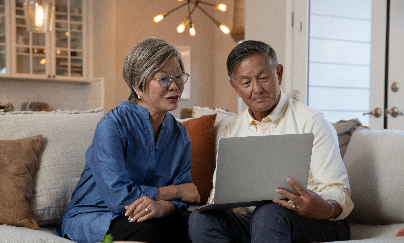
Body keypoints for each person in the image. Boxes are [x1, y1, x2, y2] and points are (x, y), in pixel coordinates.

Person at [188, 40, 354, 243]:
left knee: (268, 213)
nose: (257, 89)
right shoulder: (230, 130)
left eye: (264, 78)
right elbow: (220, 191)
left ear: (279, 74)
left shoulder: (311, 121)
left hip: (317, 220)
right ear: (236, 87)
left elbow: (338, 190)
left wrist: (324, 207)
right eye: (246, 83)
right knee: (200, 219)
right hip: (258, 221)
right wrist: (219, 201)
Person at [59, 37, 200, 243]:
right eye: (163, 79)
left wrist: (162, 206)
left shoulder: (179, 134)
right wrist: (174, 191)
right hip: (97, 215)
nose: (175, 86)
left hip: (151, 215)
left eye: (178, 76)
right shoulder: (112, 126)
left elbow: (187, 198)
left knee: (200, 224)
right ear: (137, 86)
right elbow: (120, 198)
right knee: (146, 229)